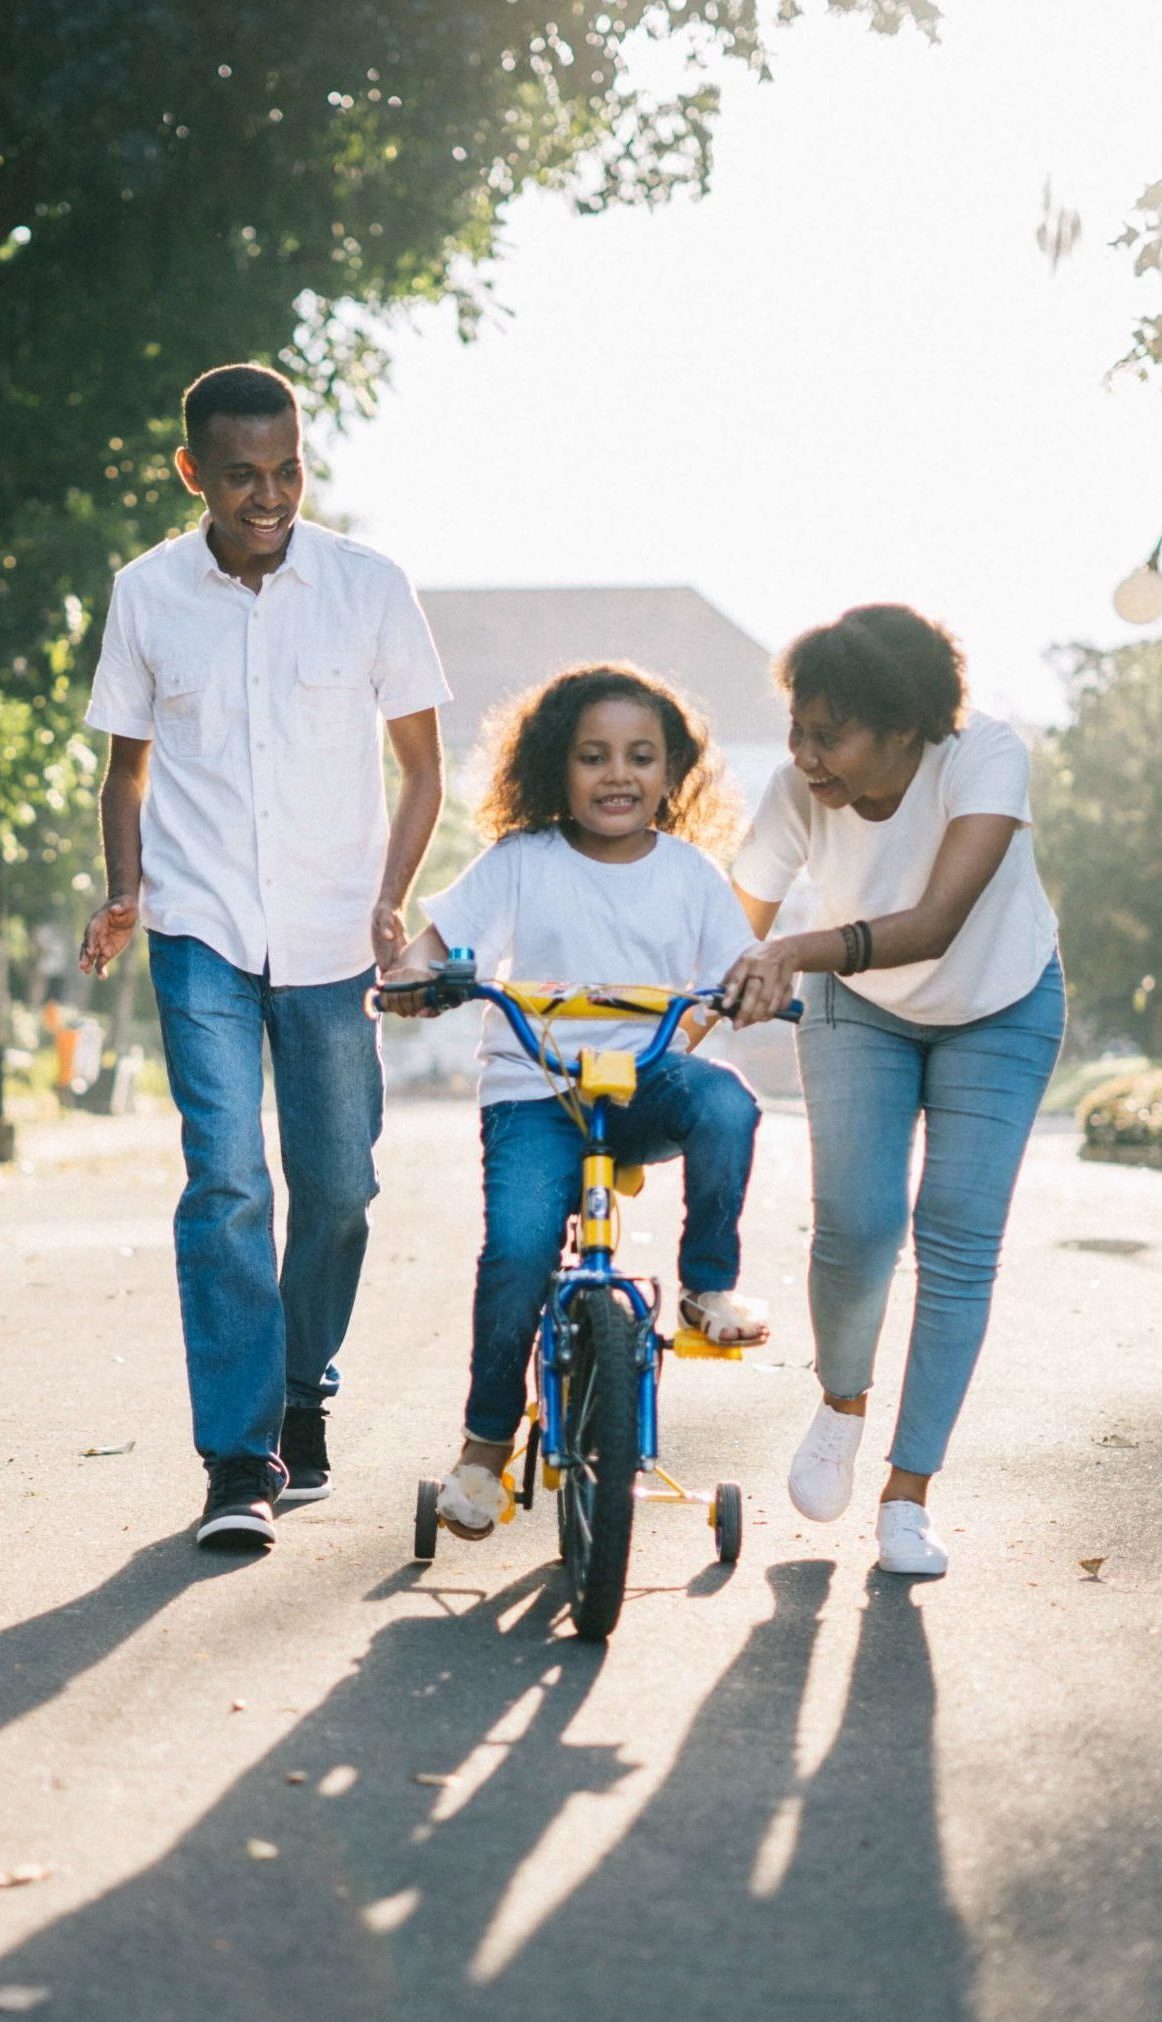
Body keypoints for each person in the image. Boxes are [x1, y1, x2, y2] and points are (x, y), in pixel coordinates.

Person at [79, 362, 449, 1548]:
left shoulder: (368, 586)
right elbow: (125, 768)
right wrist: (127, 890)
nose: (270, 495)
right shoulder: (146, 594)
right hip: (199, 931)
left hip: (336, 934)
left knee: (338, 1189)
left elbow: (422, 767)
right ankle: (239, 1460)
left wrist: (392, 899)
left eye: (287, 469)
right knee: (230, 1181)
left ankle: (302, 1393)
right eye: (242, 475)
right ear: (194, 473)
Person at [383, 663, 768, 1538]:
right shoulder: (522, 861)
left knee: (729, 1106)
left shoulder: (692, 875)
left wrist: (746, 993)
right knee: (518, 1253)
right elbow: (436, 943)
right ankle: (483, 1452)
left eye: (641, 757)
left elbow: (734, 972)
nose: (618, 775)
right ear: (559, 766)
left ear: (673, 774)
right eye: (594, 757)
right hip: (535, 1093)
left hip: (642, 1086)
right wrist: (414, 975)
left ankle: (708, 1287)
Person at [725, 604, 1064, 1577]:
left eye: (828, 734)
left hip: (998, 1003)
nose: (803, 754)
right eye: (796, 726)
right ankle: (840, 1403)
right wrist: (668, 1025)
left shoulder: (983, 757)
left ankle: (908, 1496)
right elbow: (724, 930)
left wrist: (790, 949)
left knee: (957, 1236)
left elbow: (937, 921)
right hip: (857, 1009)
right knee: (858, 1223)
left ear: (905, 729)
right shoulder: (798, 790)